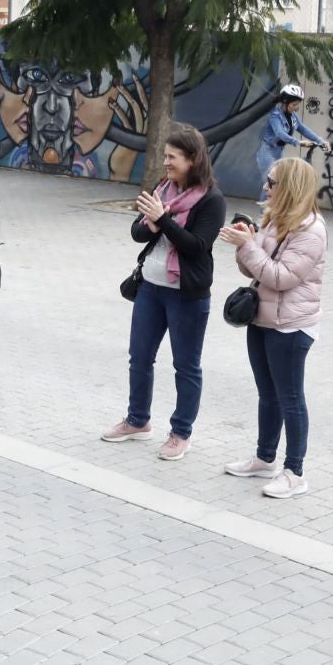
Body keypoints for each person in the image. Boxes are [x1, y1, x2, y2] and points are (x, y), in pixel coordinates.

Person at [102, 124, 227, 460]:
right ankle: (137, 421)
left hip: (186, 295)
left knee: (186, 366)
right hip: (151, 289)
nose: (166, 162)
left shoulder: (211, 201)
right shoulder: (163, 188)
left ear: (192, 160)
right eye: (166, 156)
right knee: (139, 357)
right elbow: (137, 232)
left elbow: (197, 247)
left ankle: (180, 432)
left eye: (172, 157)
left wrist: (165, 220)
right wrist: (150, 223)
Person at [219, 156, 327, 499]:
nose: (265, 186)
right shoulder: (274, 219)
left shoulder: (311, 231)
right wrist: (245, 243)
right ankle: (264, 458)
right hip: (263, 318)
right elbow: (254, 271)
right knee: (268, 394)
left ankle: (295, 471)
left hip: (291, 327)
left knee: (290, 398)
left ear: (290, 187)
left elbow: (280, 278)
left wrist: (247, 247)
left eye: (272, 181)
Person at [256, 85, 325, 202]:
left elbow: (303, 129)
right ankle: (264, 216)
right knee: (270, 184)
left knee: (279, 184)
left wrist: (320, 141)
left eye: (298, 104)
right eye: (294, 104)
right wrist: (298, 142)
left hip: (279, 152)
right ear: (285, 102)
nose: (296, 107)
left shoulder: (293, 117)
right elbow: (279, 133)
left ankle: (274, 213)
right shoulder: (275, 116)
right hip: (267, 152)